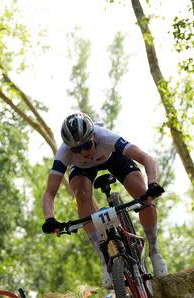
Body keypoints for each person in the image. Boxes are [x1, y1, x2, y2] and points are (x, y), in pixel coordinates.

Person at [41, 112, 167, 288]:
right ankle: (104, 258)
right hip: (81, 170)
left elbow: (148, 159)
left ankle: (154, 251)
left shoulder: (106, 137)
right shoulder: (64, 153)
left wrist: (153, 183)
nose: (83, 152)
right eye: (76, 149)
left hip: (112, 157)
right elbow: (49, 192)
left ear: (93, 136)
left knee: (142, 194)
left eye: (86, 145)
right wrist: (49, 218)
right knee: (82, 195)